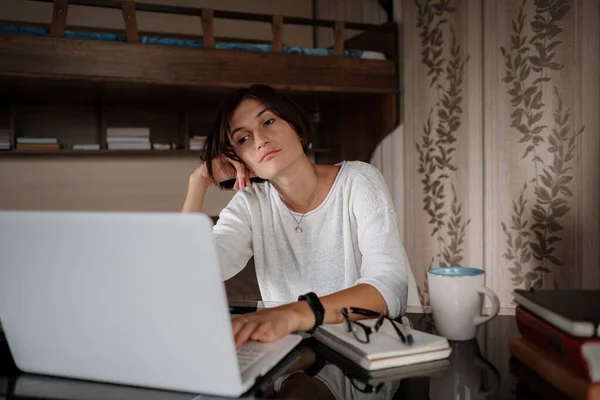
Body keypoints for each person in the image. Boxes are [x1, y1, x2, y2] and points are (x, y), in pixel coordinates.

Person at [181, 84, 409, 349]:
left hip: (364, 348)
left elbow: (390, 285)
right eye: (243, 139)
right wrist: (200, 180)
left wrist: (293, 314)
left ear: (296, 126)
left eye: (268, 121)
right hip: (293, 353)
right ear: (239, 158)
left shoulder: (358, 180)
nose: (260, 140)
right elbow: (191, 271)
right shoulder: (250, 204)